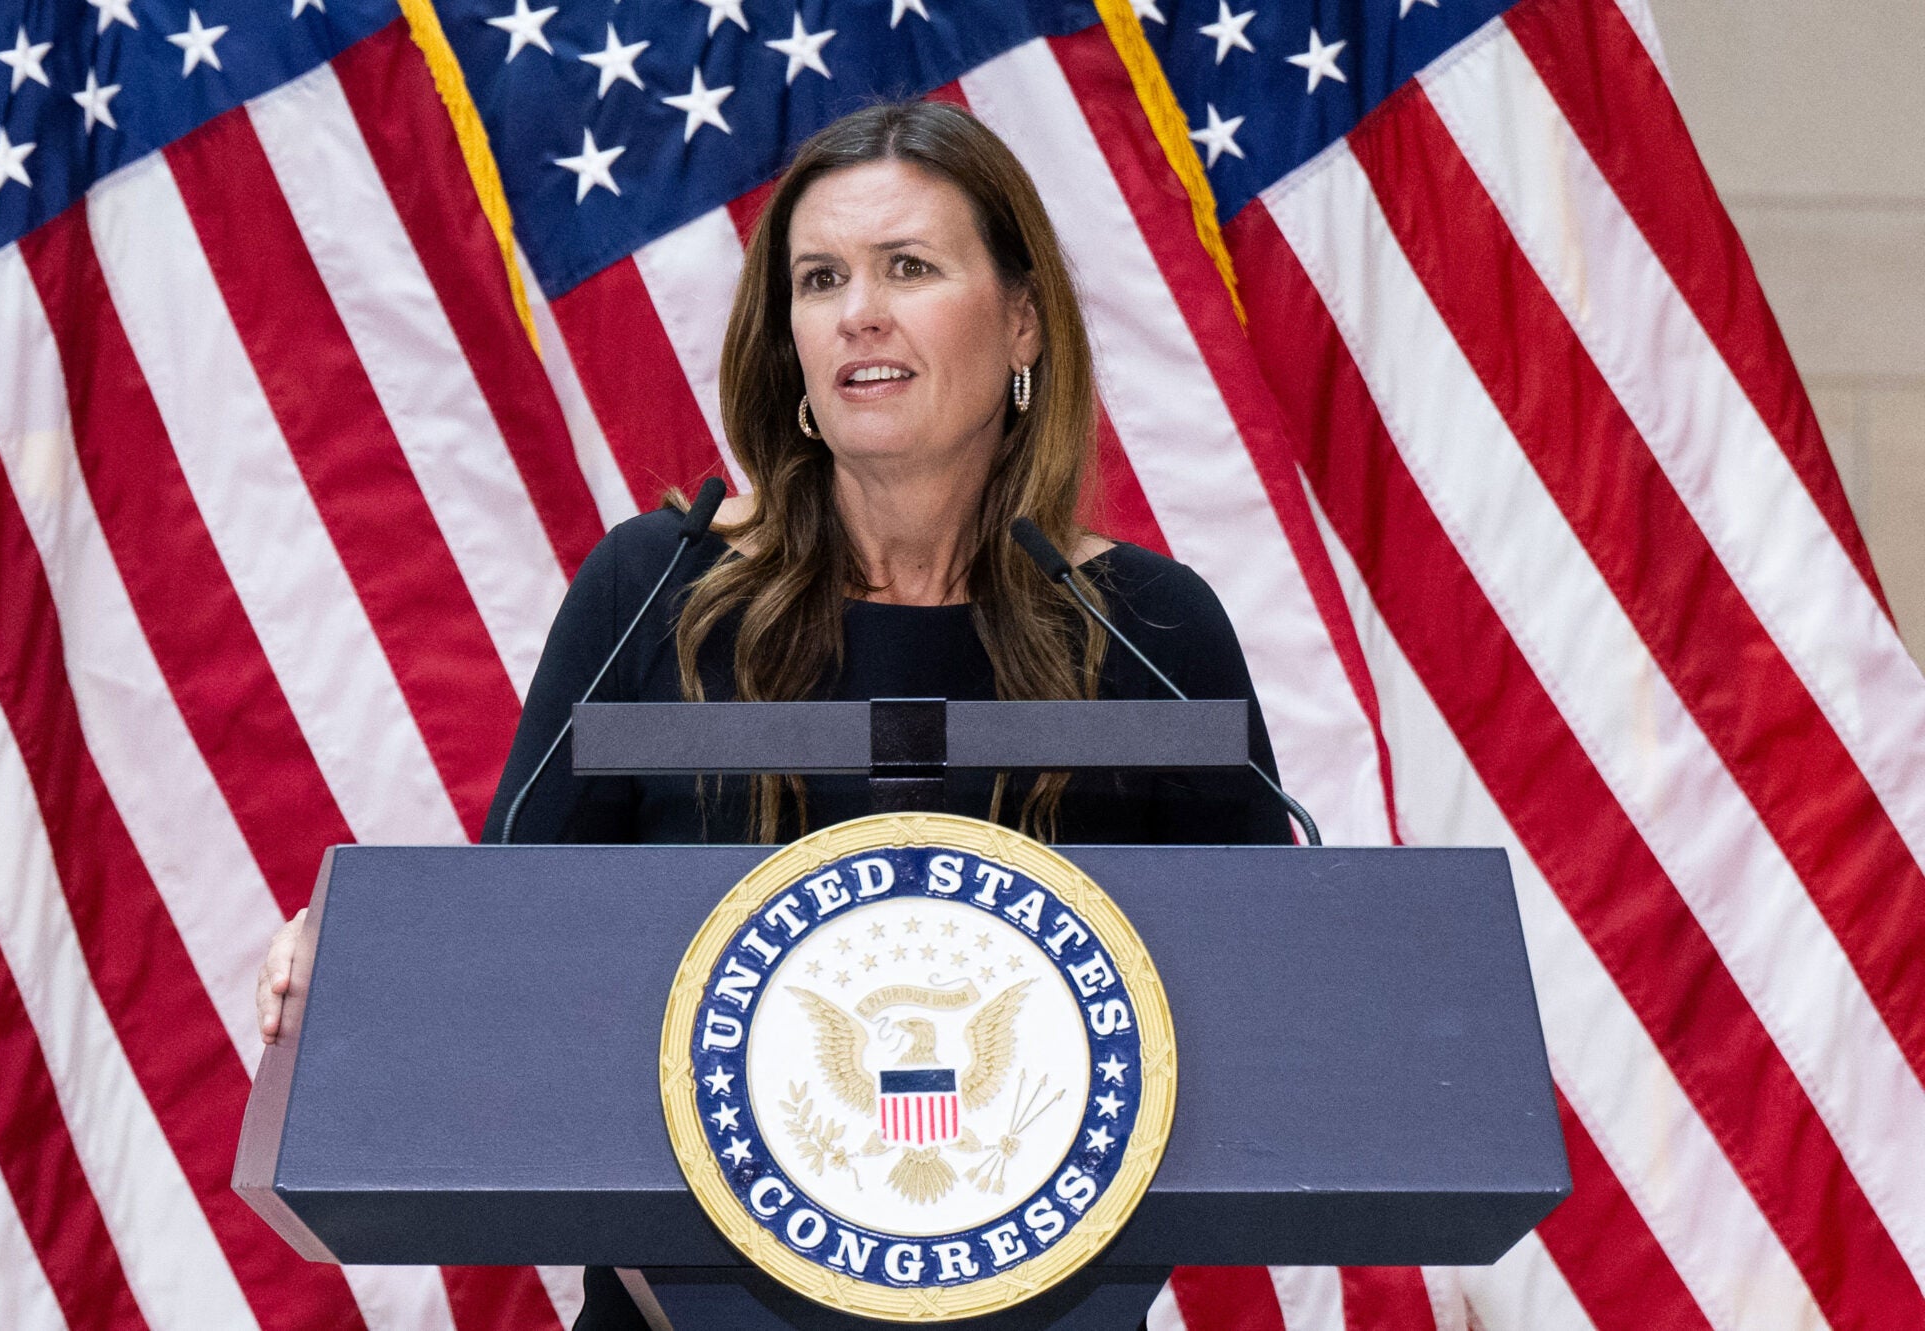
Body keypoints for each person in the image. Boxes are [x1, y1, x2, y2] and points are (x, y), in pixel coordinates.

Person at [257, 98, 1289, 1327]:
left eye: (908, 267)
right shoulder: (656, 592)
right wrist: (362, 969)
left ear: (1021, 319)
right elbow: (510, 952)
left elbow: (1265, 1003)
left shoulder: (1149, 629)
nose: (858, 311)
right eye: (819, 279)